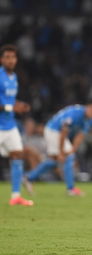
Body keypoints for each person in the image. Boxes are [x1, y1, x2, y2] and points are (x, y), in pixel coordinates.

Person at [22, 100, 92, 196]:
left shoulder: (91, 119)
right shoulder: (76, 113)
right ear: (87, 106)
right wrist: (61, 152)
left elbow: (80, 136)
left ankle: (28, 177)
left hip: (58, 134)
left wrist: (73, 149)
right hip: (53, 131)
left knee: (54, 161)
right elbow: (63, 132)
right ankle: (70, 188)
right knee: (70, 157)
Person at [0, 44, 33, 206]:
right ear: (1, 59)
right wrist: (12, 107)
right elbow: (7, 105)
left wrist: (20, 105)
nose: (10, 60)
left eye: (13, 57)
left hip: (10, 125)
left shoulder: (13, 78)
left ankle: (15, 196)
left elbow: (8, 101)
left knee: (17, 155)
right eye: (7, 57)